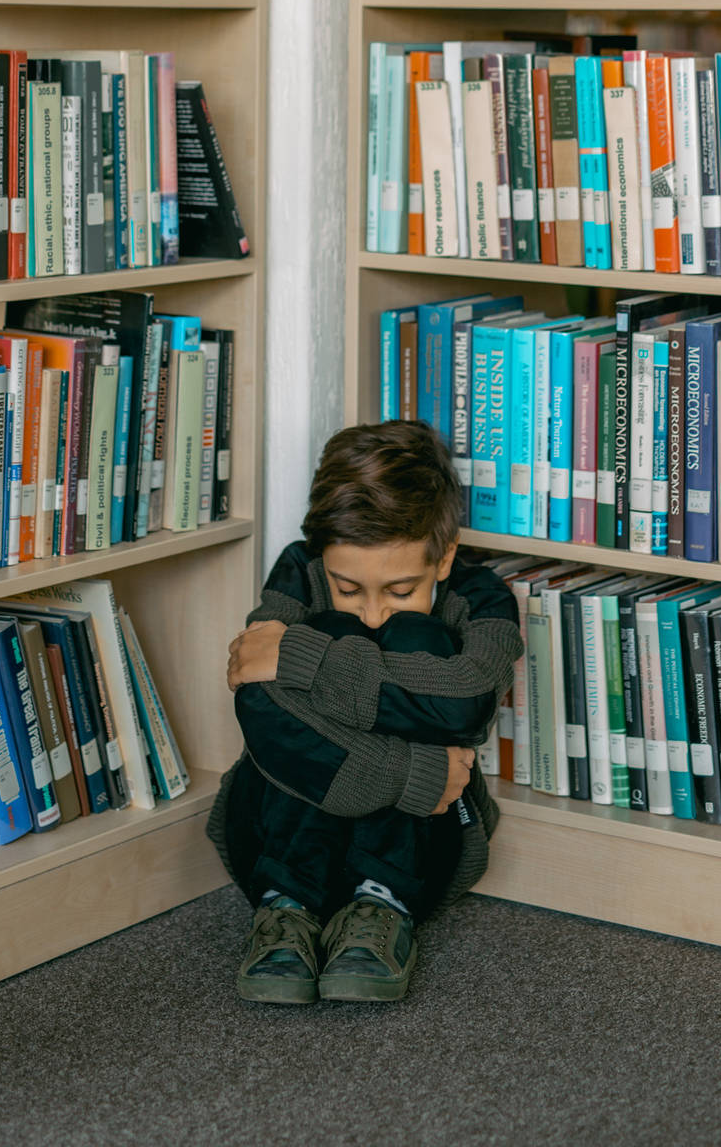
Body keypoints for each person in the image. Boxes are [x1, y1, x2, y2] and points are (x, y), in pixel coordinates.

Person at [207, 418, 523, 1005]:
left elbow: (469, 702)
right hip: (286, 830)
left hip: (425, 841)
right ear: (322, 555)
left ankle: (383, 900)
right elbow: (258, 697)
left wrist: (309, 660)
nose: (374, 610)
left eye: (400, 589)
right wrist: (414, 775)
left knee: (412, 637)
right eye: (349, 587)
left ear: (445, 555)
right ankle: (287, 906)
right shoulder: (299, 569)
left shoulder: (482, 596)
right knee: (327, 635)